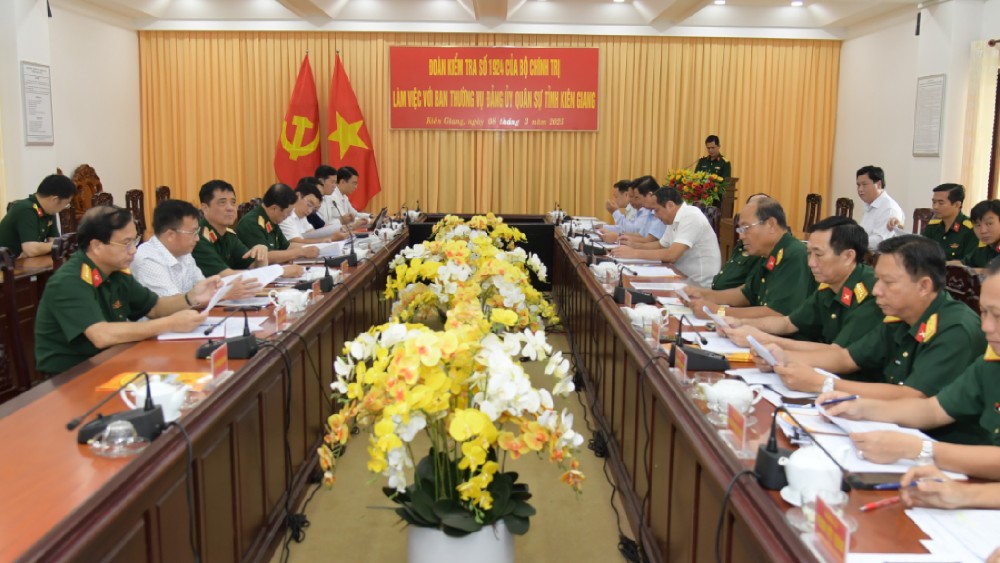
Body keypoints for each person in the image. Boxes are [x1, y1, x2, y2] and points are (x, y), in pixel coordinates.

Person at [761, 235, 986, 445]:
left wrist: (823, 383)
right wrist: (784, 358)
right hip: (890, 427)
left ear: (924, 286)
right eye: (877, 279)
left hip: (941, 446)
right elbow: (846, 357)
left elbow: (913, 396)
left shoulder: (955, 328)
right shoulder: (899, 317)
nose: (877, 290)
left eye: (888, 282)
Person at [819, 260, 1000, 470]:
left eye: (997, 315)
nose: (986, 326)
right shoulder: (991, 360)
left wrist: (919, 449)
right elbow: (933, 409)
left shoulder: (958, 327)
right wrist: (861, 408)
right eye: (984, 313)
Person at [33, 206, 218, 375]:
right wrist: (169, 323)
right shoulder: (69, 281)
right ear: (97, 246)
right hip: (73, 376)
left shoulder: (116, 271)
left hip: (113, 359)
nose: (133, 250)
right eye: (126, 243)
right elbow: (101, 335)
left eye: (135, 241)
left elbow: (155, 307)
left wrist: (191, 297)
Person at [721, 216, 882, 352]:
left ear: (848, 257)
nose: (811, 263)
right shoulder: (828, 285)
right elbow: (788, 323)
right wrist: (739, 323)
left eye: (818, 254)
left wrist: (765, 341)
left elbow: (838, 354)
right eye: (809, 253)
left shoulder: (871, 291)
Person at [685, 197, 816, 318]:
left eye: (746, 227)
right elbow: (747, 294)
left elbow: (777, 313)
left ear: (771, 224)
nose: (741, 236)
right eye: (740, 229)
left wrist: (718, 312)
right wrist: (703, 294)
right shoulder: (767, 253)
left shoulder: (794, 255)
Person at [132, 199, 259, 298]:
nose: (197, 239)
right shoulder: (148, 259)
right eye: (192, 232)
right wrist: (223, 295)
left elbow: (203, 286)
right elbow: (171, 305)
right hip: (156, 330)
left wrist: (224, 289)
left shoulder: (184, 253)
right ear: (170, 235)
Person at [609, 186, 721, 287]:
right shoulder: (673, 218)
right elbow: (661, 245)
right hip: (679, 277)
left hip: (698, 285)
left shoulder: (692, 217)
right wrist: (633, 245)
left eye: (656, 210)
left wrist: (633, 253)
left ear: (670, 205)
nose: (656, 216)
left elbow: (672, 255)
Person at [191, 179, 302, 278]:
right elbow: (224, 275)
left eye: (233, 202)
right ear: (205, 208)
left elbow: (251, 265)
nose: (230, 208)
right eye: (222, 203)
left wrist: (261, 257)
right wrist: (278, 271)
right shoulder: (197, 238)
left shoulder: (229, 235)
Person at [235, 183, 321, 265]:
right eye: (288, 212)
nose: (289, 216)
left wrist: (315, 248)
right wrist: (301, 252)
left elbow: (287, 246)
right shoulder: (251, 223)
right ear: (274, 208)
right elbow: (265, 257)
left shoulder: (272, 220)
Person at [0, 174, 76, 258]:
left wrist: (50, 245)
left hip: (26, 264)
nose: (63, 209)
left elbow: (55, 243)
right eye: (65, 204)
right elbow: (31, 250)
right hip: (6, 266)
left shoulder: (49, 211)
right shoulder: (26, 209)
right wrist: (61, 243)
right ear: (54, 199)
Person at [710, 193, 768, 290]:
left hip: (731, 302)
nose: (741, 236)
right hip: (718, 296)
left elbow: (748, 293)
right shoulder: (745, 240)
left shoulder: (764, 248)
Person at [911, 183, 978, 261]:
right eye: (934, 202)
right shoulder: (933, 225)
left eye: (941, 203)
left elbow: (969, 263)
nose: (935, 207)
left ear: (957, 205)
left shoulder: (970, 229)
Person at [279, 181, 348, 244]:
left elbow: (312, 235)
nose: (309, 211)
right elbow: (296, 242)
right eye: (309, 205)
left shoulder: (302, 217)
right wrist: (332, 239)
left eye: (313, 208)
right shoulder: (285, 216)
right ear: (298, 196)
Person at [855, 165, 903, 251]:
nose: (860, 189)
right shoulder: (870, 204)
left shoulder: (888, 208)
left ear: (879, 184)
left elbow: (880, 241)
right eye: (858, 185)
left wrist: (853, 242)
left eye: (864, 184)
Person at [962, 199, 1000, 269]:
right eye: (977, 225)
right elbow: (963, 263)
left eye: (989, 223)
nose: (983, 231)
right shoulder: (983, 248)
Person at [309, 164, 338, 229]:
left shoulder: (329, 198)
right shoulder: (312, 202)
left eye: (335, 182)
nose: (334, 186)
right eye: (332, 182)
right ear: (321, 181)